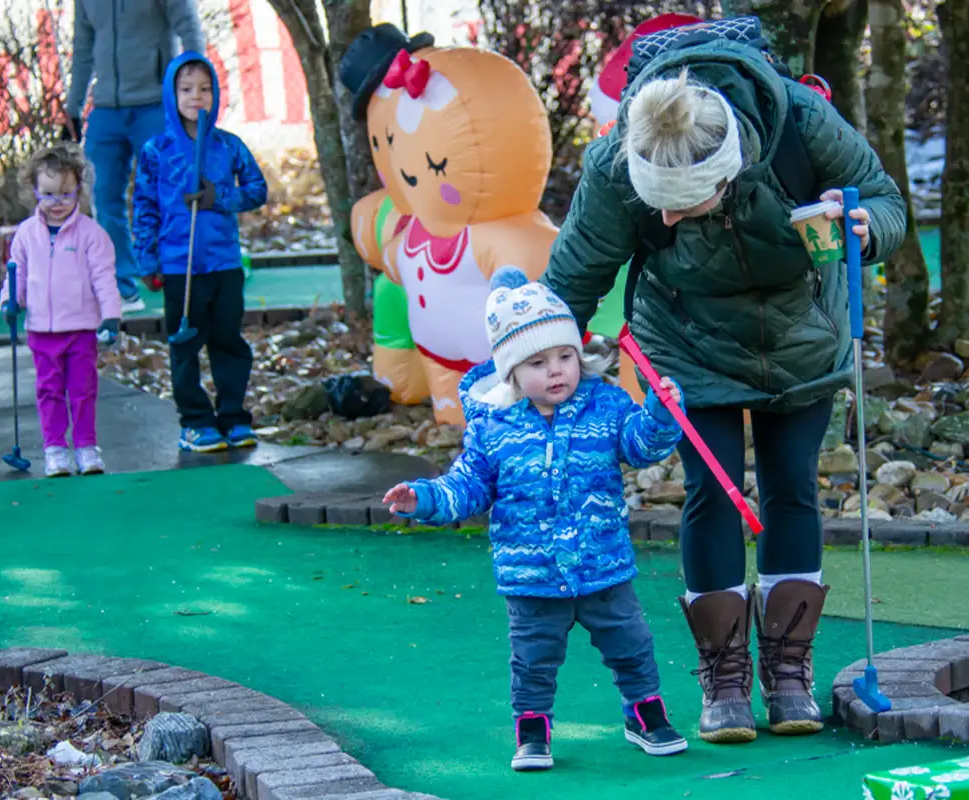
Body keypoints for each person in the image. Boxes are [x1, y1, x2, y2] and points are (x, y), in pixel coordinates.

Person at [540, 39, 907, 744]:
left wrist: (865, 227)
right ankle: (725, 677)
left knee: (791, 485)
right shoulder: (620, 160)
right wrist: (527, 367)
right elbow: (574, 275)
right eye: (661, 208)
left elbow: (885, 199)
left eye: (686, 205)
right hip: (687, 340)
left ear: (730, 168)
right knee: (712, 491)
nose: (669, 222)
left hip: (803, 333)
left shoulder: (798, 119)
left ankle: (790, 672)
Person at [381, 267, 689, 772]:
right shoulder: (494, 426)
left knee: (631, 643)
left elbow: (639, 447)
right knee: (533, 659)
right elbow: (468, 486)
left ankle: (644, 711)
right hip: (531, 574)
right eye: (539, 362)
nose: (557, 371)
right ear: (511, 374)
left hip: (602, 563)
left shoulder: (606, 404)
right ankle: (532, 727)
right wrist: (425, 498)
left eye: (565, 356)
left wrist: (660, 415)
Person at [133, 52, 268, 453]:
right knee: (184, 342)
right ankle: (194, 421)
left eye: (205, 88)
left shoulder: (228, 146)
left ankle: (233, 416)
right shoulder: (156, 151)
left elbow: (257, 189)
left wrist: (218, 197)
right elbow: (143, 206)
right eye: (187, 89)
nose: (197, 96)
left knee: (228, 340)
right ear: (171, 94)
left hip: (224, 261)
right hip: (179, 266)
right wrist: (148, 259)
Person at [64, 0, 206, 312]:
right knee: (103, 196)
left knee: (169, 192)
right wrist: (72, 107)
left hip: (156, 103)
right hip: (105, 108)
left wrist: (196, 91)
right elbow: (83, 46)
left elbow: (190, 29)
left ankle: (181, 278)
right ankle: (122, 287)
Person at [0, 144, 122, 478]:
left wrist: (110, 316)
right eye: (49, 195)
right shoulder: (26, 234)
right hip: (41, 329)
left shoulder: (91, 235)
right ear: (35, 192)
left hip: (81, 328)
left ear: (78, 191)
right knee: (48, 391)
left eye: (66, 194)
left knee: (83, 391)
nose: (57, 203)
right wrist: (11, 301)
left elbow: (104, 278)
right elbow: (17, 274)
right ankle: (55, 450)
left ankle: (86, 447)